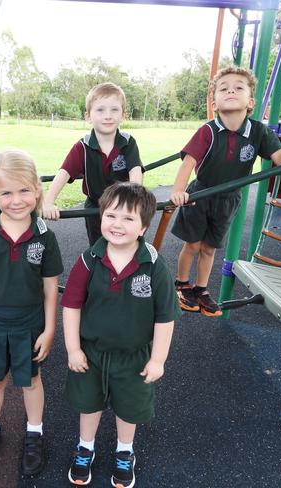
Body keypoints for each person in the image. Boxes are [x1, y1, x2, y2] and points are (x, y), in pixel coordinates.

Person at [62, 182, 181, 488]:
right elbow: (71, 306)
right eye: (111, 216)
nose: (117, 224)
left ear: (143, 227)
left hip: (134, 358)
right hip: (92, 354)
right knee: (89, 404)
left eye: (128, 219)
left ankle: (124, 451)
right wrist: (74, 349)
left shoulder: (154, 266)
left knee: (129, 408)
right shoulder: (88, 260)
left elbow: (165, 317)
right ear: (101, 218)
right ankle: (85, 447)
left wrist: (158, 360)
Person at [170, 66, 281, 317]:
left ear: (250, 102)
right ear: (215, 103)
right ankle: (182, 283)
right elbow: (188, 163)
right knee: (193, 245)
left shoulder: (258, 132)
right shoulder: (208, 131)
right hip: (199, 195)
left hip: (229, 198)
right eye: (224, 89)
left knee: (210, 248)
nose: (231, 91)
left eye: (238, 87)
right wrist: (179, 191)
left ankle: (201, 289)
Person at [0, 150, 63, 476]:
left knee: (31, 380)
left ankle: (35, 432)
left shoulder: (45, 235)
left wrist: (49, 329)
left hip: (30, 321)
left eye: (23, 191)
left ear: (37, 190)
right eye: (6, 192)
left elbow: (50, 287)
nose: (16, 200)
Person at [42, 82, 143, 245]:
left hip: (124, 205)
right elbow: (64, 173)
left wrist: (135, 201)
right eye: (100, 110)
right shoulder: (82, 146)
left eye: (114, 109)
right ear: (88, 116)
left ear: (123, 115)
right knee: (99, 246)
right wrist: (48, 202)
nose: (108, 115)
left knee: (128, 244)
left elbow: (135, 172)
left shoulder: (128, 142)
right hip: (95, 206)